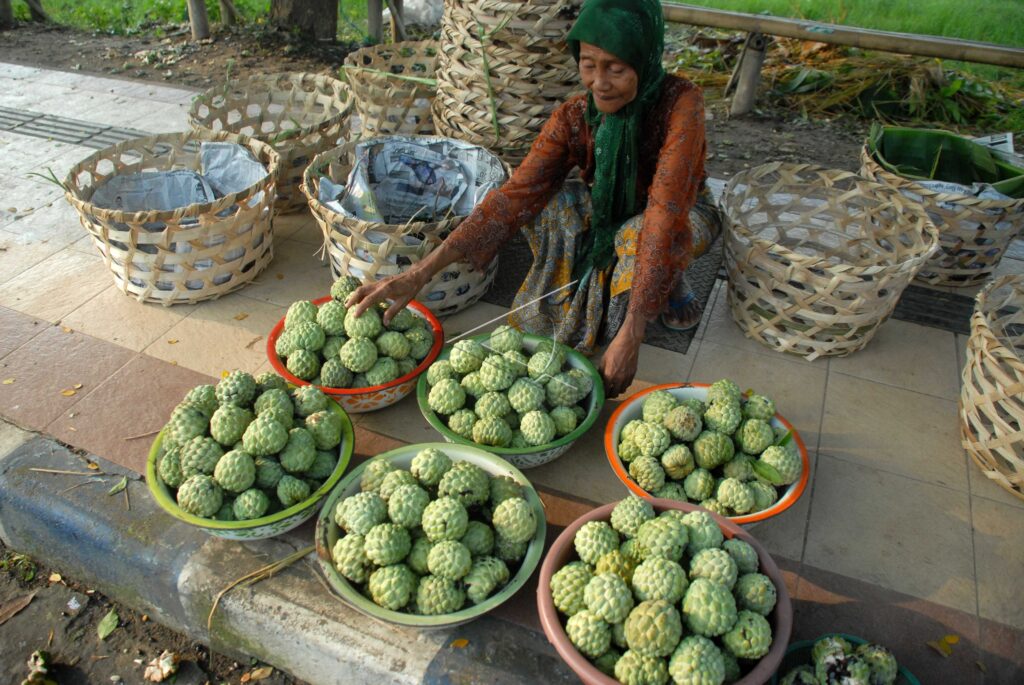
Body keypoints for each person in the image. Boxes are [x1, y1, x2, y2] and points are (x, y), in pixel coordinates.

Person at [348, 0, 722, 398]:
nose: (599, 82)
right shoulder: (574, 117)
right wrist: (418, 273)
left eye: (617, 68)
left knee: (640, 235)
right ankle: (584, 288)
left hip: (685, 209)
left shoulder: (682, 103)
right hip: (608, 207)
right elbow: (513, 197)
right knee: (548, 209)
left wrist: (632, 334)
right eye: (589, 64)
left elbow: (665, 210)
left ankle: (667, 284)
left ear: (644, 61)